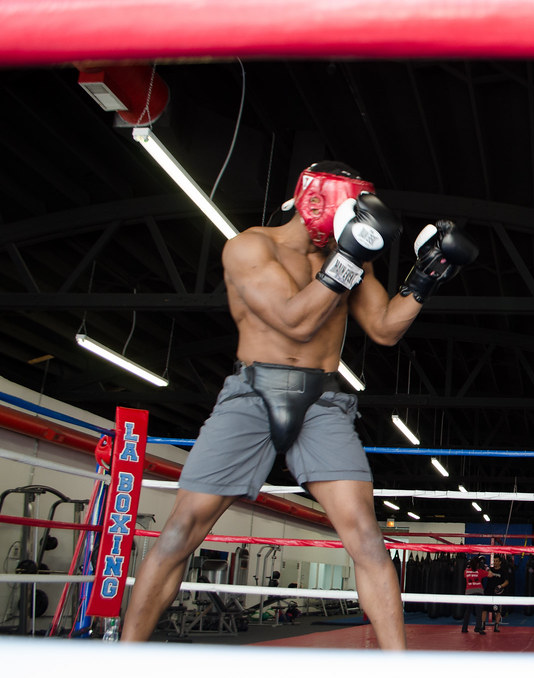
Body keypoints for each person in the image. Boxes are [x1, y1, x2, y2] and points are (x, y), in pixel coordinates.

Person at [121, 161, 477, 648]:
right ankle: (125, 658)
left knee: (367, 536)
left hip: (323, 403)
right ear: (317, 202)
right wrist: (349, 257)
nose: (351, 228)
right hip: (251, 395)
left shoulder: (348, 256)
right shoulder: (250, 246)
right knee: (182, 528)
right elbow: (294, 322)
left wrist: (426, 276)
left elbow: (385, 329)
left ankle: (399, 665)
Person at [461, 555, 492, 634]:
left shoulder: (466, 571)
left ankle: (464, 628)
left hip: (469, 592)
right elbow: (490, 574)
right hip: (478, 592)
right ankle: (478, 628)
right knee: (479, 611)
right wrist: (486, 568)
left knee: (467, 611)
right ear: (478, 564)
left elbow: (465, 576)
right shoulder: (480, 571)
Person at [485, 554, 511, 631]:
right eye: (494, 561)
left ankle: (496, 626)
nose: (495, 562)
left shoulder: (503, 571)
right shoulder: (490, 570)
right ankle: (482, 625)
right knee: (484, 608)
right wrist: (486, 568)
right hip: (489, 591)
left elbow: (506, 581)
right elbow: (484, 571)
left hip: (498, 592)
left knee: (498, 610)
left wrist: (501, 586)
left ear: (500, 562)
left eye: (497, 561)